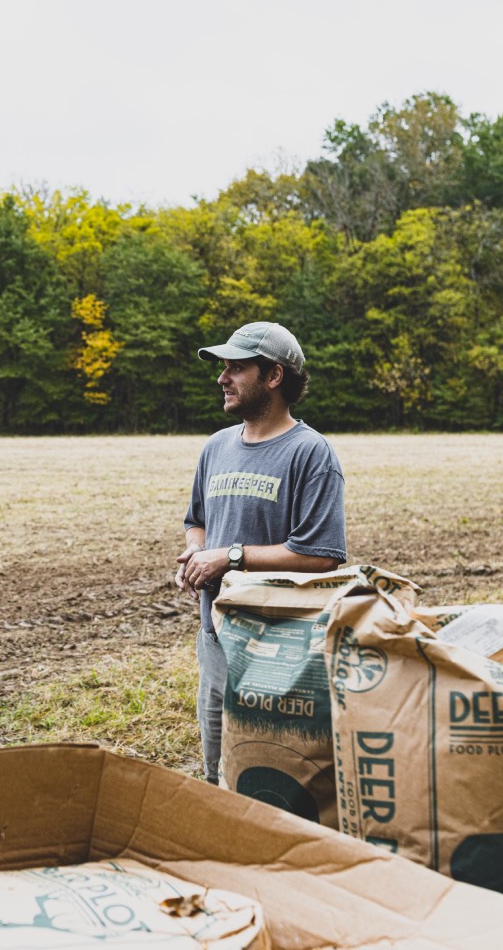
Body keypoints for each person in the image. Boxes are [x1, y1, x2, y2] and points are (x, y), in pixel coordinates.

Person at [175, 321, 347, 784]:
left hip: (281, 652)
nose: (222, 378)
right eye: (223, 368)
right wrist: (195, 555)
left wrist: (227, 558)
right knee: (217, 771)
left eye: (236, 368)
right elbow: (197, 521)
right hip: (216, 640)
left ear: (273, 376)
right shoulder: (216, 447)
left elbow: (320, 555)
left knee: (274, 774)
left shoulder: (311, 453)